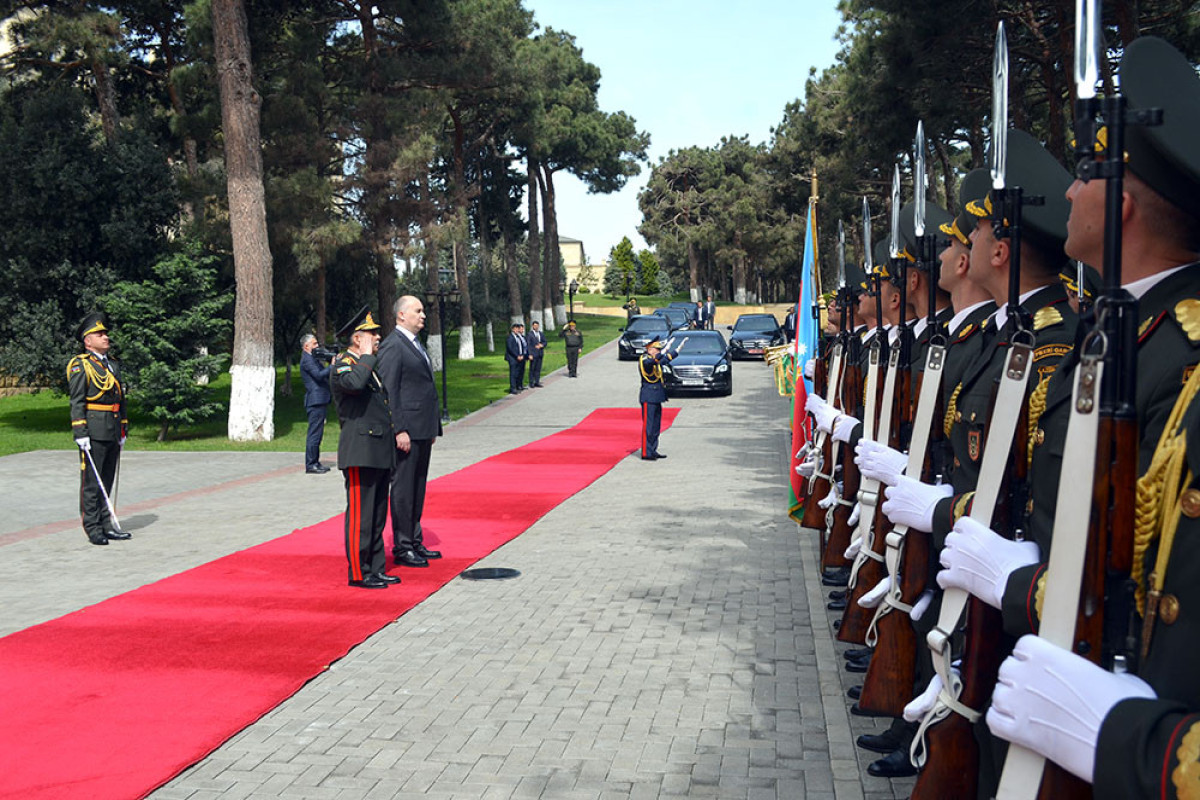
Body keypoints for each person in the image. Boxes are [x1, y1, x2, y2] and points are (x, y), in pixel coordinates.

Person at [330, 307, 399, 589]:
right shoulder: (344, 364)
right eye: (372, 334)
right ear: (358, 339)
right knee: (362, 515)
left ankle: (376, 567)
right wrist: (368, 356)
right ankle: (359, 572)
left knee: (378, 513)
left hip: (379, 449)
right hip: (360, 450)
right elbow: (354, 385)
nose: (378, 337)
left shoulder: (368, 365)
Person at [376, 295, 443, 569]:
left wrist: (431, 426)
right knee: (404, 488)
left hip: (421, 428)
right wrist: (399, 428)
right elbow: (390, 390)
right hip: (406, 431)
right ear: (401, 315)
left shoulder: (415, 344)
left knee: (417, 486)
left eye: (423, 310)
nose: (423, 315)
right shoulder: (394, 345)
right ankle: (402, 545)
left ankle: (414, 539)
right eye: (418, 311)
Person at [68, 311, 131, 546]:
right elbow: (77, 402)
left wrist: (123, 428)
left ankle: (107, 523)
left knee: (107, 479)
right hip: (93, 430)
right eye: (100, 334)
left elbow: (120, 399)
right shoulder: (80, 366)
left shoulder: (112, 364)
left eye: (105, 333)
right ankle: (92, 527)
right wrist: (80, 433)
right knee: (92, 482)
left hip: (112, 428)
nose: (106, 337)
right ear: (88, 341)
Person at [638, 337, 678, 460]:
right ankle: (646, 452)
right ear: (649, 349)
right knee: (648, 426)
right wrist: (659, 356)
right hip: (648, 396)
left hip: (657, 396)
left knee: (656, 426)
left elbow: (664, 360)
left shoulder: (655, 359)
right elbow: (650, 364)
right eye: (656, 349)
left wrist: (676, 351)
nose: (658, 351)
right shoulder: (645, 360)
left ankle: (653, 449)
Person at [300, 333, 332, 474]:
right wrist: (333, 366)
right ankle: (311, 464)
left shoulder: (312, 358)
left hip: (320, 399)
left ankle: (315, 461)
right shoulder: (307, 360)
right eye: (314, 344)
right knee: (314, 434)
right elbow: (319, 376)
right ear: (306, 346)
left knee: (318, 434)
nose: (317, 346)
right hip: (315, 400)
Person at [505, 322, 528, 394]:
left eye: (518, 329)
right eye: (516, 329)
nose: (517, 330)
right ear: (512, 329)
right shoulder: (510, 338)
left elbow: (522, 347)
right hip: (513, 358)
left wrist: (522, 355)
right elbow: (510, 348)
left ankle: (518, 386)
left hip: (520, 357)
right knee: (513, 373)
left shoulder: (519, 337)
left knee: (518, 372)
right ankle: (513, 388)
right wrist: (517, 355)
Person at [526, 320, 546, 387]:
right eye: (535, 326)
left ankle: (537, 381)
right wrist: (530, 354)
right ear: (532, 326)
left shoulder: (541, 333)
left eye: (537, 325)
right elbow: (528, 345)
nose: (536, 327)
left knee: (538, 368)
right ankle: (531, 382)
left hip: (540, 354)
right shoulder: (530, 334)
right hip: (533, 354)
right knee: (532, 368)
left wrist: (542, 345)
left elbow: (545, 342)